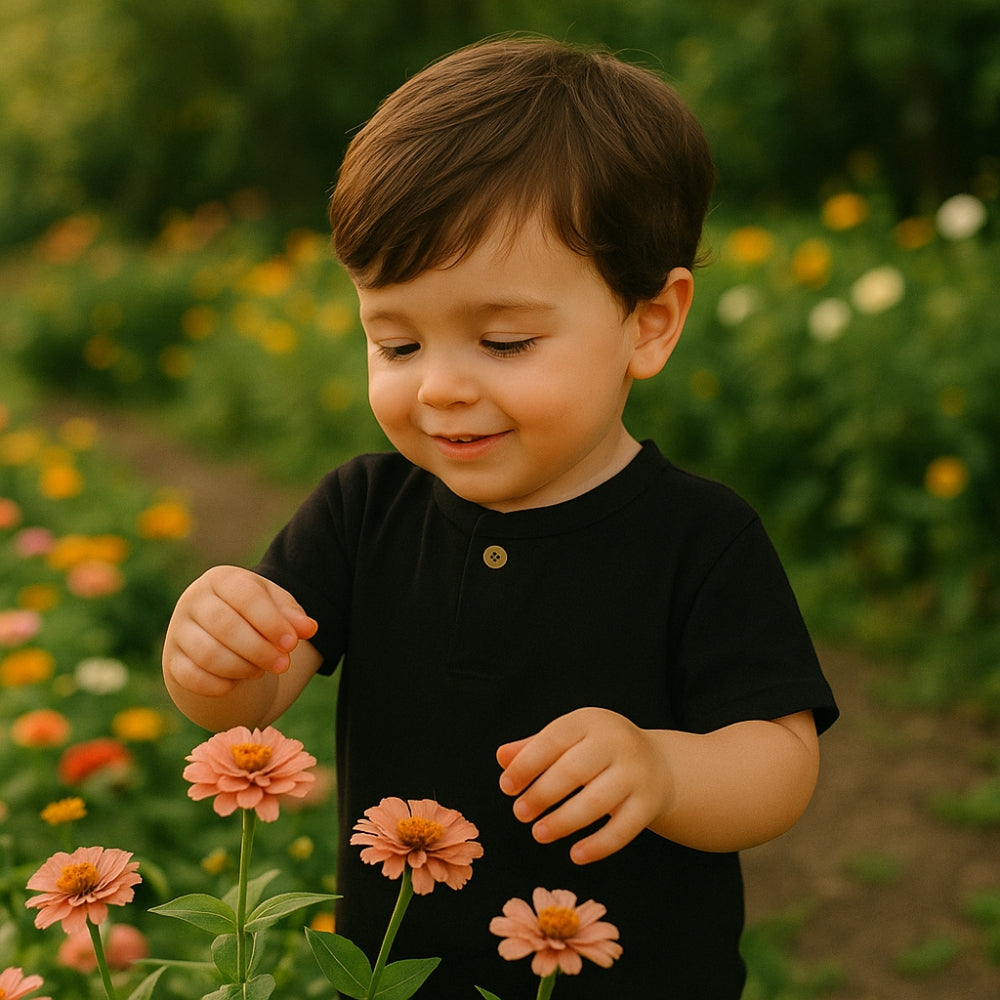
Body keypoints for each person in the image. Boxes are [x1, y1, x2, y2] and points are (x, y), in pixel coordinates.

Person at [162, 36, 838, 998]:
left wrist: (665, 771)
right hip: (398, 976)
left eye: (504, 341)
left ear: (649, 323)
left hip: (632, 977)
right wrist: (212, 654)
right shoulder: (362, 511)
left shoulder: (698, 537)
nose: (439, 387)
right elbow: (250, 700)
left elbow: (780, 761)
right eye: (395, 342)